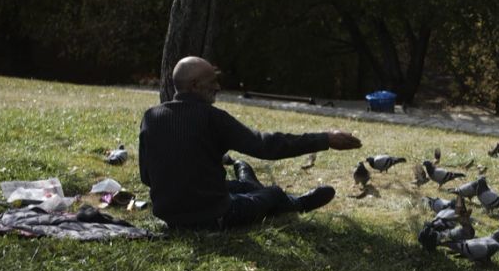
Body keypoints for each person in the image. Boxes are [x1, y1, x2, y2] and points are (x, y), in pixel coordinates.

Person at [139, 56, 362, 229]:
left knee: (243, 187)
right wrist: (325, 139)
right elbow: (265, 146)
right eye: (212, 81)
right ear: (195, 85)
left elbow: (146, 177)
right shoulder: (211, 117)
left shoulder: (150, 116)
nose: (217, 87)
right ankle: (295, 204)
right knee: (271, 193)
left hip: (168, 214)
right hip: (213, 217)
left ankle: (252, 183)